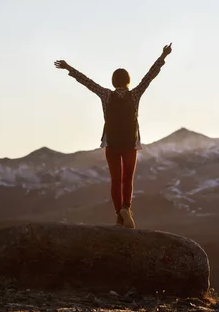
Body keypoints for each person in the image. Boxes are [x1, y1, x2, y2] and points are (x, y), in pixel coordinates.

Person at [54, 43, 173, 228]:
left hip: (111, 143)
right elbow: (149, 77)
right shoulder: (134, 95)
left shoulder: (106, 95)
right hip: (130, 144)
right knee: (128, 180)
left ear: (113, 82)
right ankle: (127, 208)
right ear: (127, 81)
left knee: (116, 180)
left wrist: (69, 68)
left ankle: (119, 214)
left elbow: (87, 82)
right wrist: (163, 56)